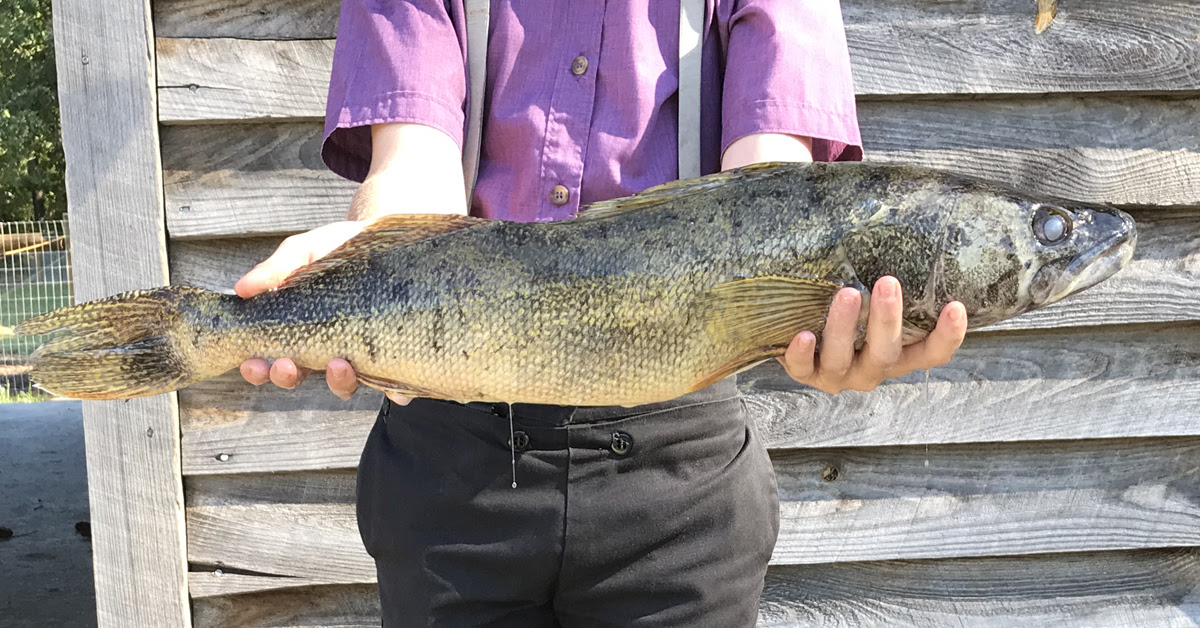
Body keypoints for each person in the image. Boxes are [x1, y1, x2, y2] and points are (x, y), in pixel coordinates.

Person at [234, 1, 968, 625]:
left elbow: (764, 201)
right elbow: (414, 176)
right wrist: (370, 263)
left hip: (681, 487)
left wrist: (806, 310)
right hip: (450, 458)